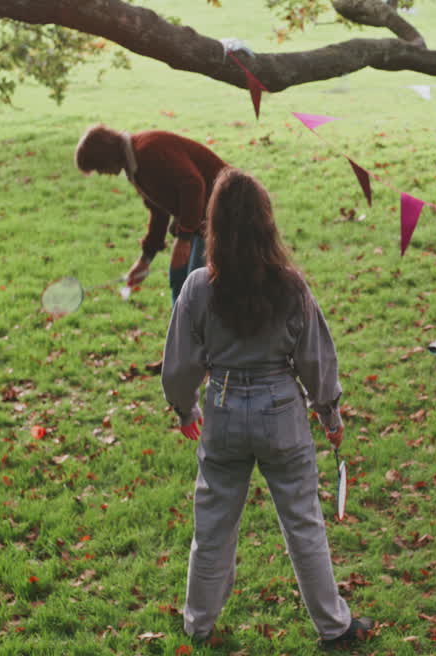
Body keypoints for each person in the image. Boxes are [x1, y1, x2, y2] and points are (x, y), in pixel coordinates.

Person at [159, 168, 374, 647]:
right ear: (266, 223)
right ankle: (334, 627)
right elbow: (317, 359)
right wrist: (330, 414)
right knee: (303, 524)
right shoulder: (291, 286)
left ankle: (199, 624)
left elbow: (178, 366)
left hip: (223, 411)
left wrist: (185, 409)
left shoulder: (197, 287)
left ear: (213, 226)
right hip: (282, 414)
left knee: (212, 526)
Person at [73, 124, 230, 303]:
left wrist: (184, 238)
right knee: (179, 277)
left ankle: (195, 328)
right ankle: (181, 327)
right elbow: (159, 212)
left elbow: (193, 185)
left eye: (98, 168)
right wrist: (145, 260)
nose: (102, 173)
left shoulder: (148, 150)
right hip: (202, 221)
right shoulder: (134, 166)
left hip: (226, 212)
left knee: (196, 289)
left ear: (106, 156)